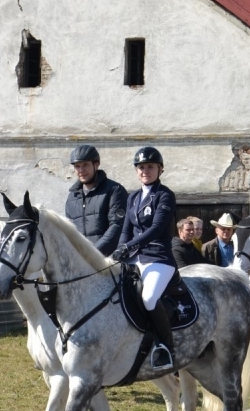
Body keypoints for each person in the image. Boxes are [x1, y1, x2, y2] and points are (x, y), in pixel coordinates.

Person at [112, 146, 178, 373]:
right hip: (134, 259)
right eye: (141, 167)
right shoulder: (133, 198)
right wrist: (120, 250)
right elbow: (126, 230)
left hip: (159, 258)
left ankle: (165, 346)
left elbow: (158, 228)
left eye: (150, 166)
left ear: (160, 169)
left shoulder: (165, 195)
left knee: (149, 298)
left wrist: (130, 246)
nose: (145, 171)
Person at [65, 144, 128, 257]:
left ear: (96, 164)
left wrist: (93, 254)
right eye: (77, 166)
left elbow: (117, 226)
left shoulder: (114, 190)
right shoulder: (72, 197)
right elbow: (70, 232)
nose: (81, 170)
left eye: (85, 165)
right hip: (83, 262)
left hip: (109, 260)